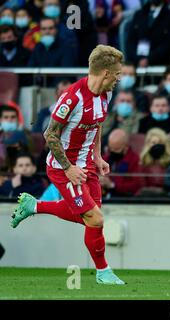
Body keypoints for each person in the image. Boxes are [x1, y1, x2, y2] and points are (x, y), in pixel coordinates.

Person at [10, 45, 125, 285]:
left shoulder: (106, 94)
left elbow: (97, 124)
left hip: (87, 166)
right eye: (116, 74)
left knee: (92, 218)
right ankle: (103, 272)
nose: (118, 79)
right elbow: (49, 134)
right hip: (64, 168)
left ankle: (36, 206)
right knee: (95, 219)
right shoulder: (72, 98)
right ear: (105, 73)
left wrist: (96, 156)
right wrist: (69, 168)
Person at [102, 129, 142, 198]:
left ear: (126, 147)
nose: (112, 152)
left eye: (116, 149)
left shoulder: (134, 160)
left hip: (124, 199)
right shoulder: (106, 158)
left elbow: (135, 185)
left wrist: (112, 185)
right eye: (111, 149)